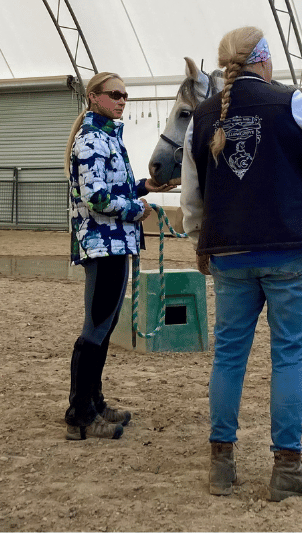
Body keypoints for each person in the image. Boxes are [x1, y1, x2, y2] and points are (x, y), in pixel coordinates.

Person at [180, 26, 302, 500]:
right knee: (288, 357)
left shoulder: (203, 117)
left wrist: (201, 240)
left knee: (228, 355)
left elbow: (192, 197)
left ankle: (221, 463)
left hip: (229, 255)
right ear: (263, 61)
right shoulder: (293, 103)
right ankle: (287, 466)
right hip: (288, 250)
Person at [64, 72, 175, 441]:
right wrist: (136, 210)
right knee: (95, 328)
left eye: (125, 96)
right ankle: (80, 414)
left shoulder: (108, 137)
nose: (122, 101)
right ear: (94, 98)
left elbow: (117, 188)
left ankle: (93, 402)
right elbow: (95, 197)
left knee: (105, 326)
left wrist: (147, 187)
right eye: (115, 95)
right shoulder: (92, 140)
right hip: (103, 243)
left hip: (116, 243)